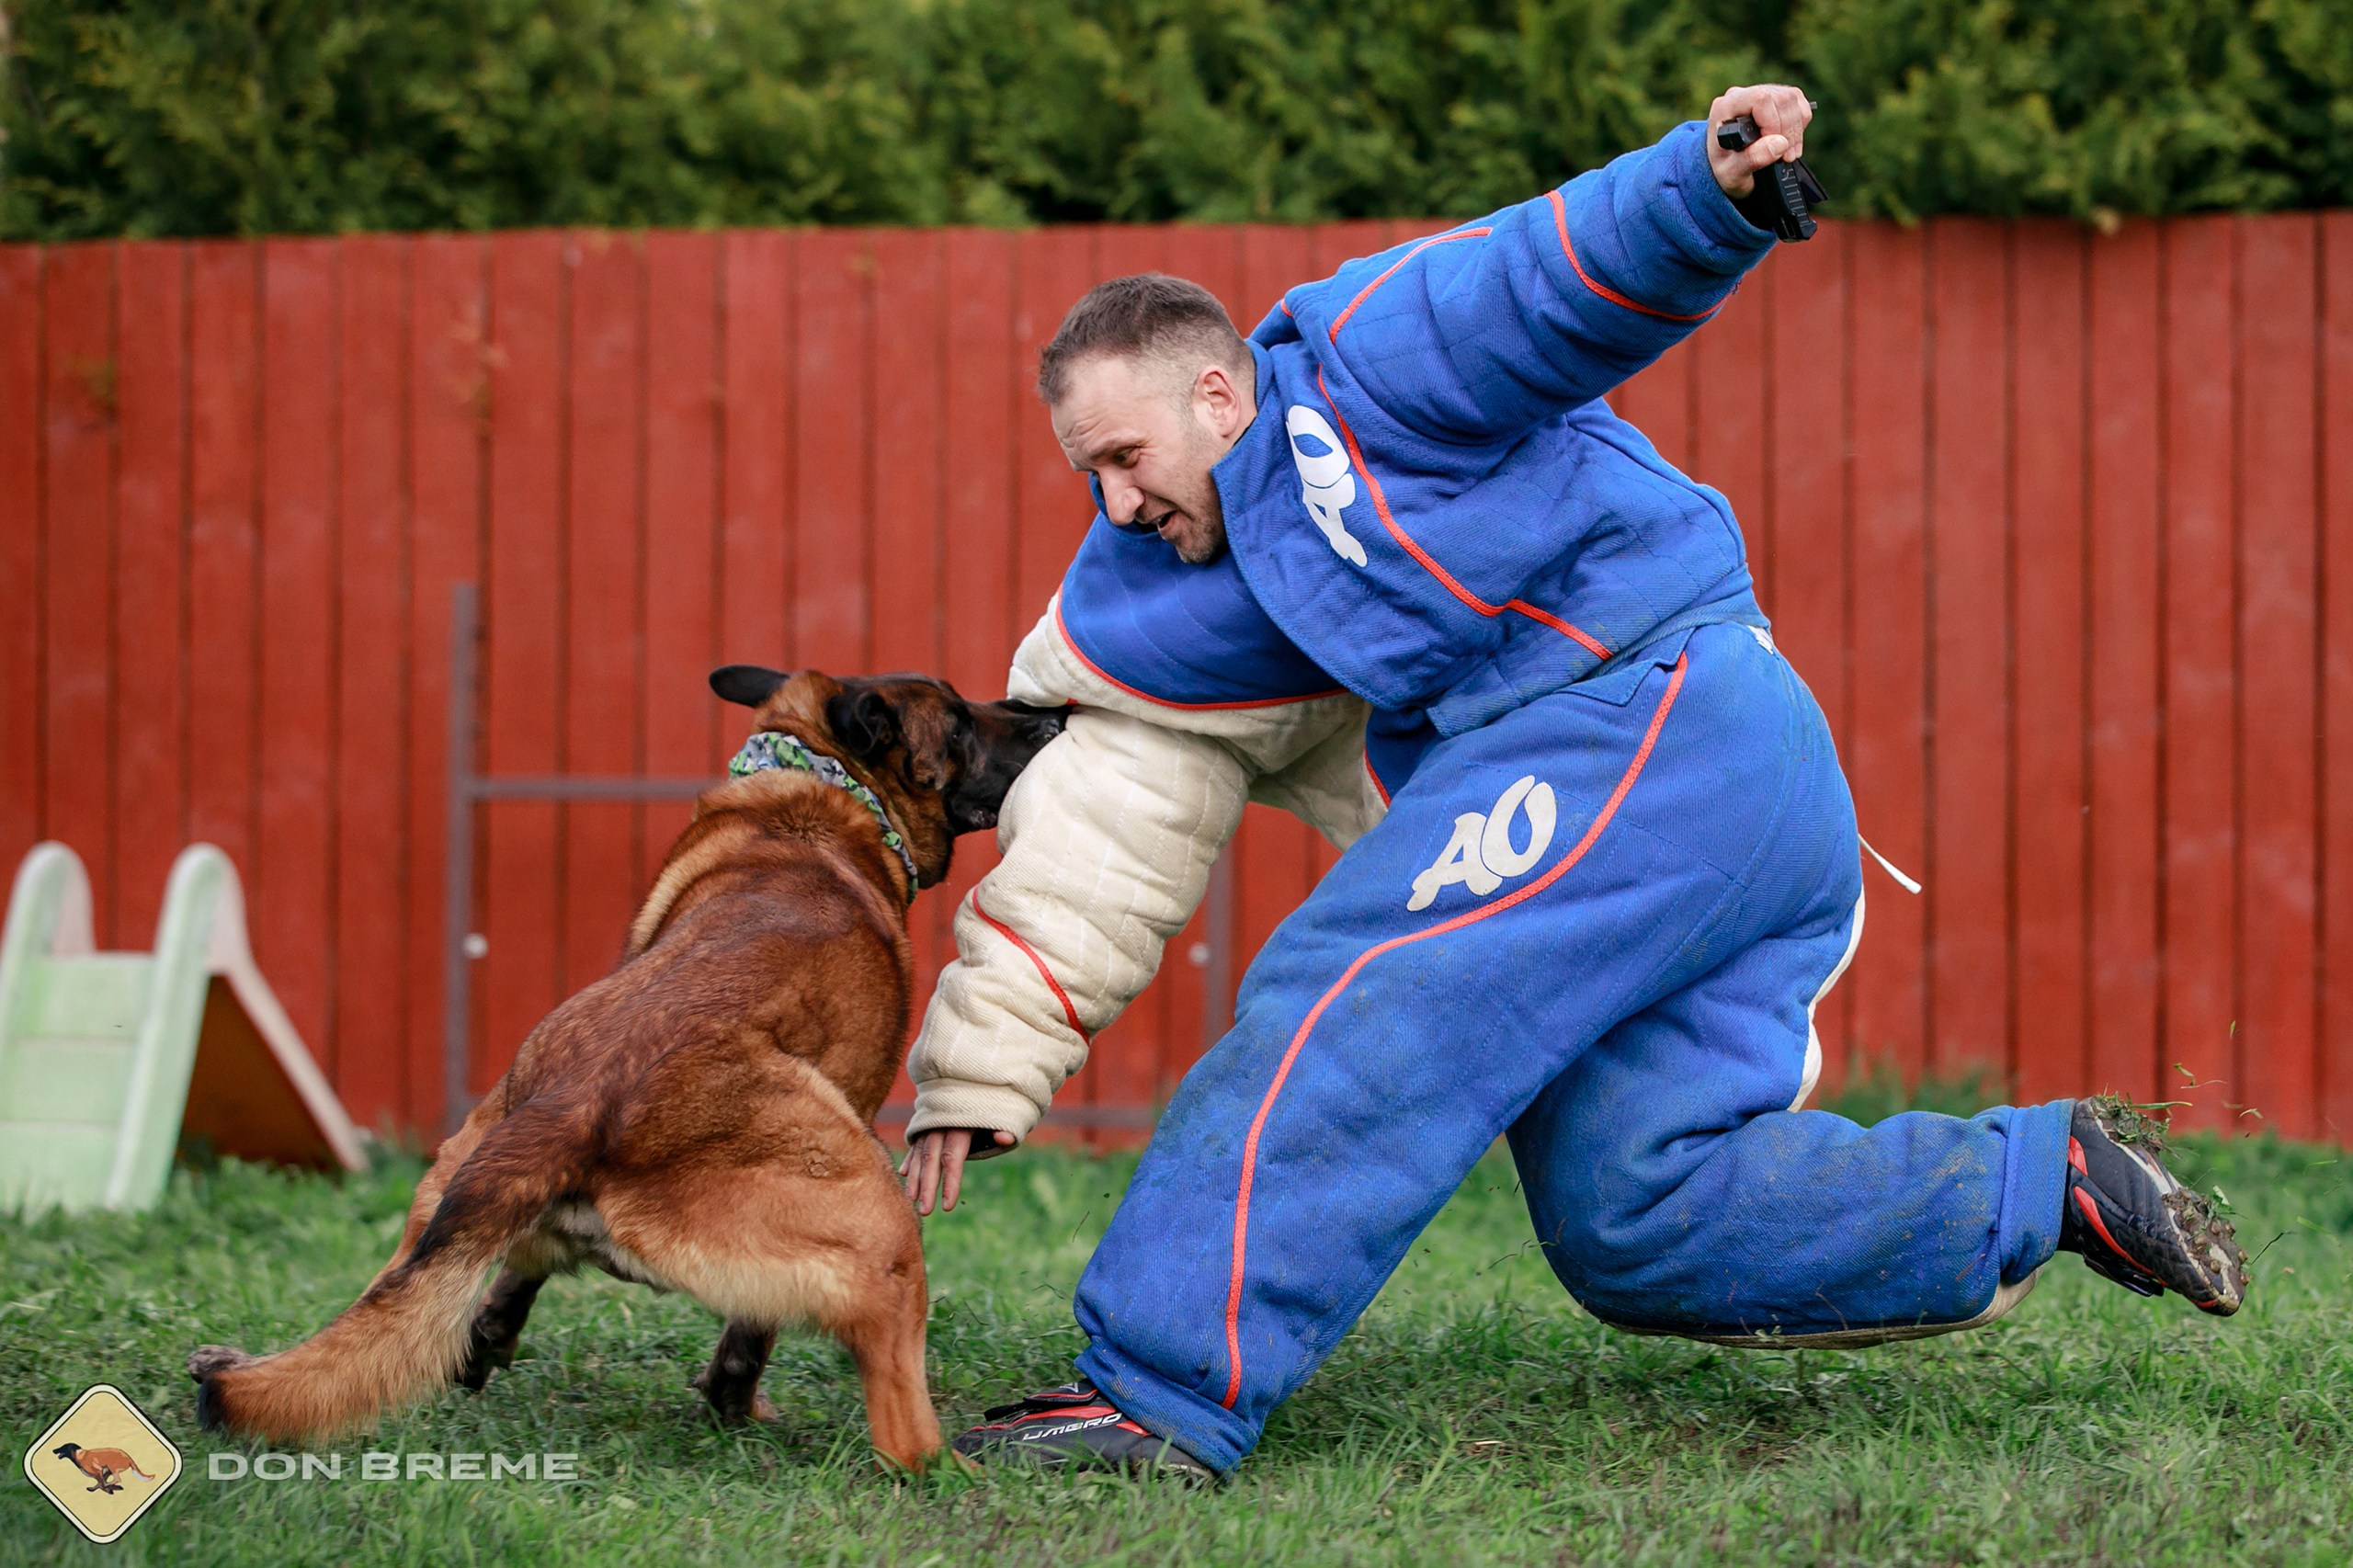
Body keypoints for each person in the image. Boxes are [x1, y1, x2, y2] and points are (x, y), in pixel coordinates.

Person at [897, 85, 2248, 1480]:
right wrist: (985, 1057)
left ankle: (1157, 1390)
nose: (1115, 504)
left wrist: (1705, 190)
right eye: (1086, 478)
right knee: (1632, 1207)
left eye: (1125, 458)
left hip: (1648, 711)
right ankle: (2046, 1178)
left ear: (1220, 393)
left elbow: (1531, 284)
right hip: (1701, 799)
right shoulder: (1167, 593)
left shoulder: (1361, 364)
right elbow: (1117, 805)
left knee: (1361, 990)